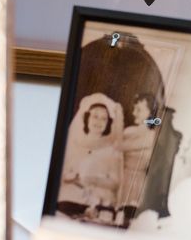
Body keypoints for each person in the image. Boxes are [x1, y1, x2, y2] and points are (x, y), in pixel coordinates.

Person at [57, 92, 123, 223]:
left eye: (104, 118)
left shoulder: (112, 150)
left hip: (98, 203)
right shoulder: (73, 143)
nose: (98, 121)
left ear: (108, 123)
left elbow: (116, 182)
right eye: (95, 116)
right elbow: (62, 173)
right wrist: (70, 177)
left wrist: (91, 179)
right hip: (69, 200)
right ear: (87, 118)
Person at [116, 93, 159, 227]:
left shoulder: (152, 135)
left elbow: (119, 146)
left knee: (131, 218)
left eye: (139, 110)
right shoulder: (129, 131)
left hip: (139, 182)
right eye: (134, 109)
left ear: (150, 112)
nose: (134, 113)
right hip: (121, 177)